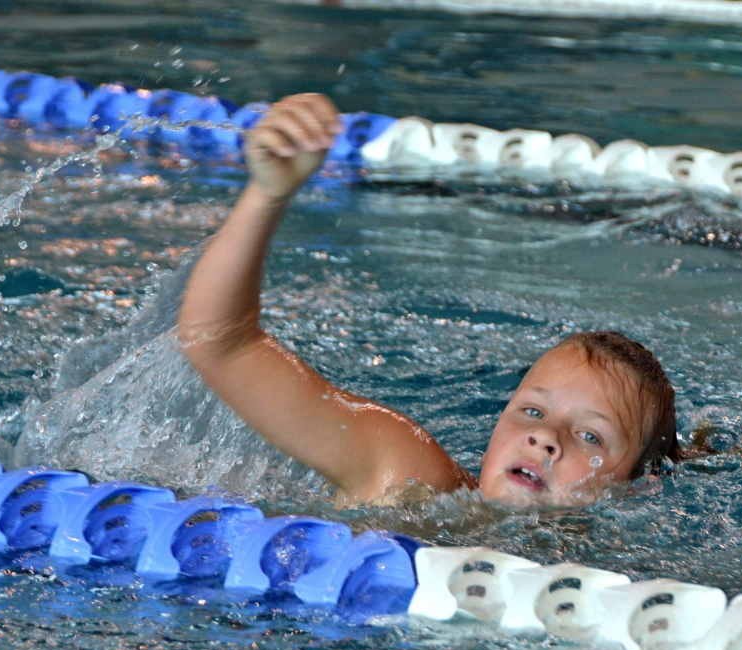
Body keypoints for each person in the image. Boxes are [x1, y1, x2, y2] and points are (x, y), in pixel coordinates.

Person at [177, 93, 685, 507]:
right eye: (531, 412)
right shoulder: (407, 478)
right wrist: (268, 194)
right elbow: (221, 343)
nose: (546, 438)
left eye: (591, 438)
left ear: (636, 490)